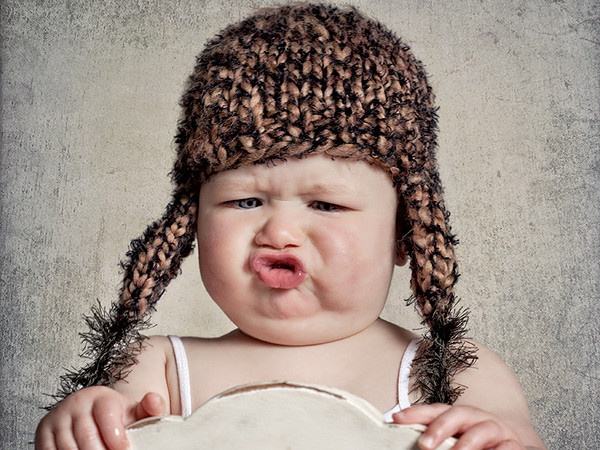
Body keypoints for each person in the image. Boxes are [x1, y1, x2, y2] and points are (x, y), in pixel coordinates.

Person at [35, 4, 545, 449]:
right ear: (189, 225)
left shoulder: (455, 374)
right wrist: (86, 423)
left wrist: (497, 439)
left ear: (405, 232)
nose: (279, 232)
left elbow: (514, 440)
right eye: (244, 200)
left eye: (326, 205)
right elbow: (107, 429)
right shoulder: (156, 372)